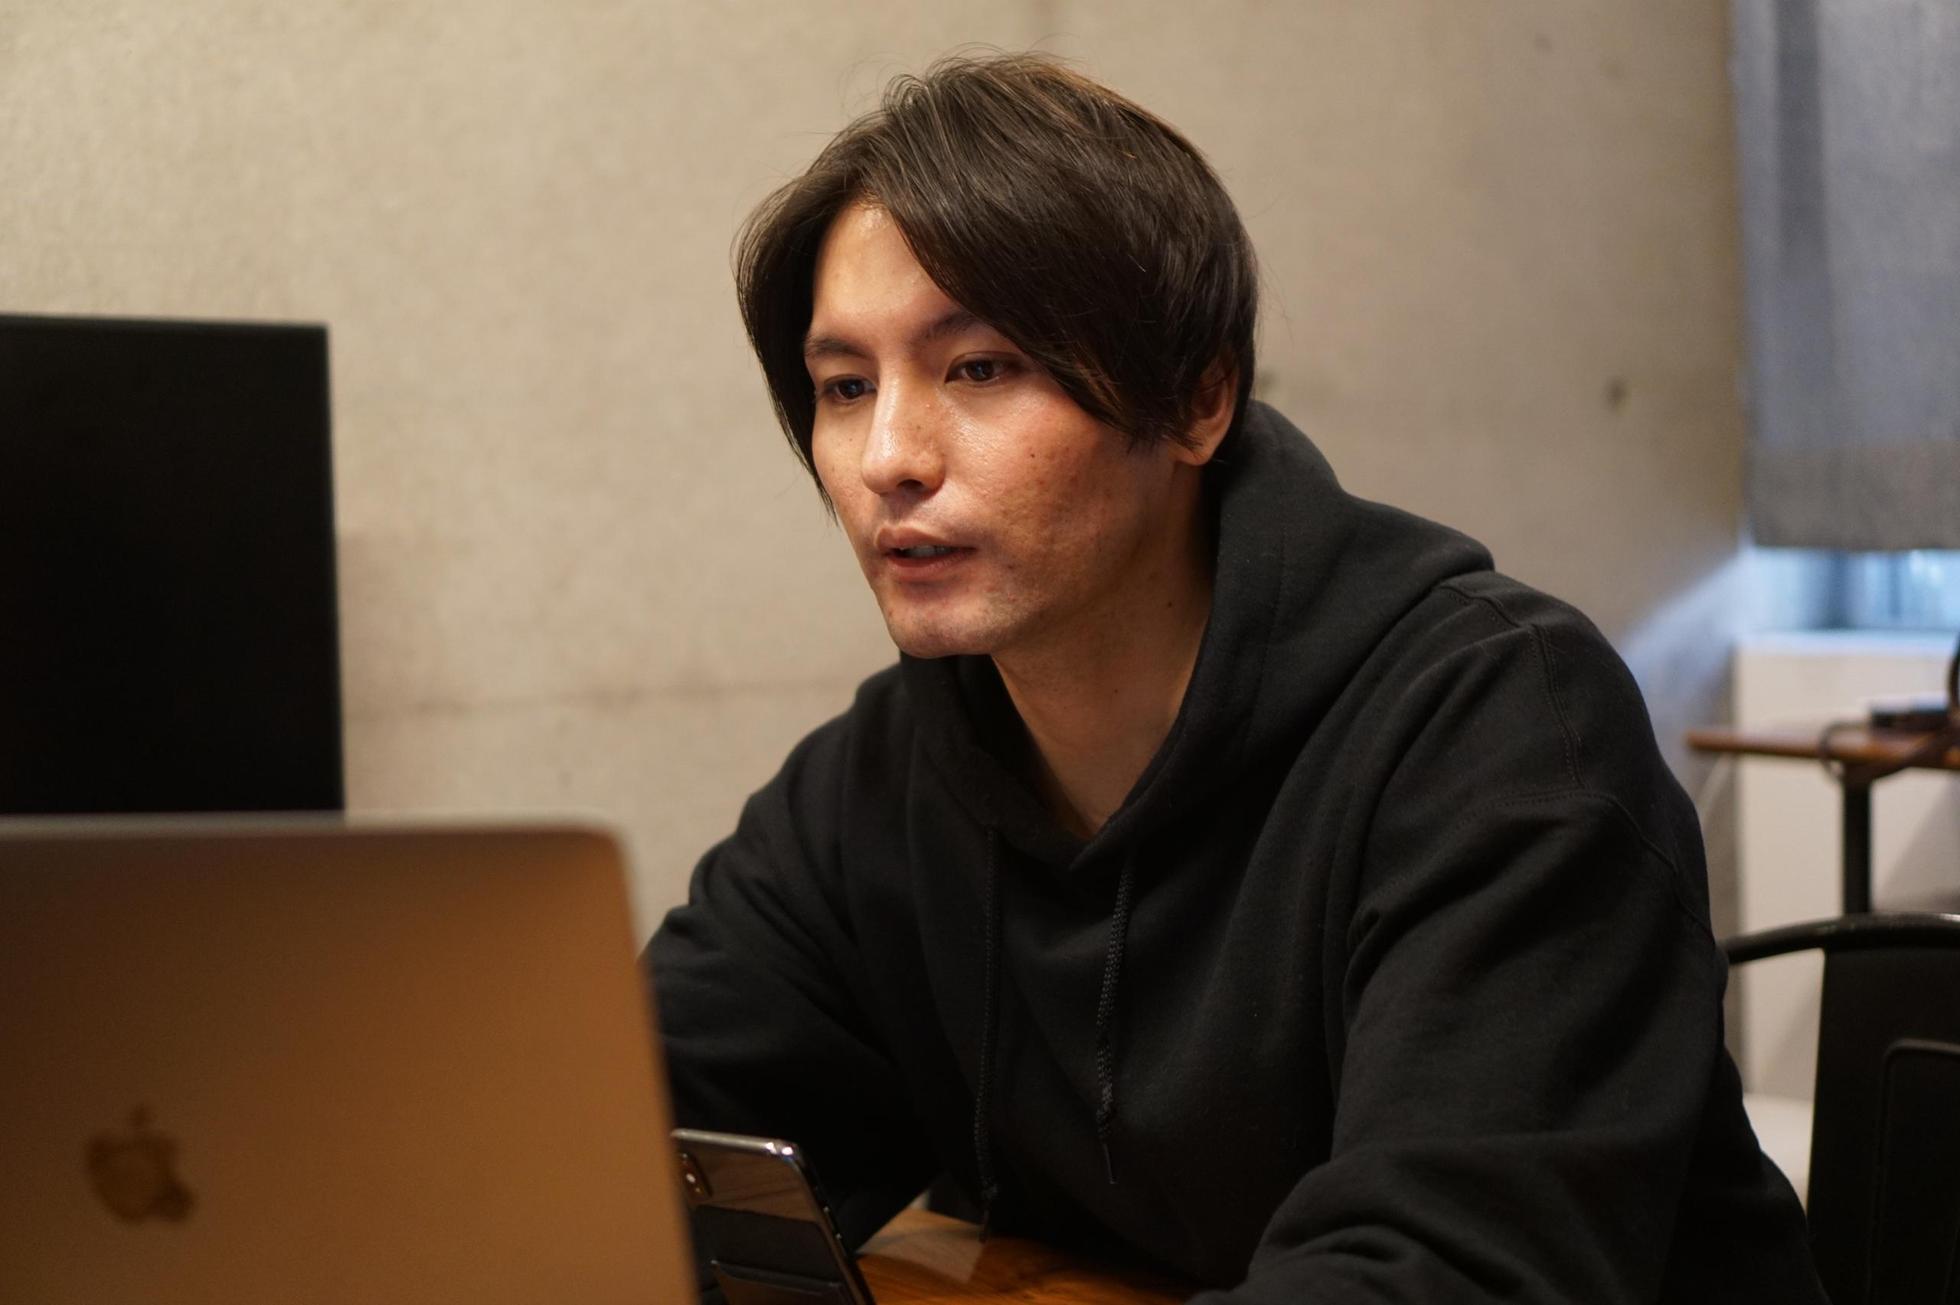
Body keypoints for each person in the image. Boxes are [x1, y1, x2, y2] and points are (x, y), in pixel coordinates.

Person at [646, 52, 1825, 1303]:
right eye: (843, 387)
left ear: (1199, 399)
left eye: (979, 368)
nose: (888, 456)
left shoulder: (1499, 732)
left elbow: (1442, 1272)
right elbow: (614, 1141)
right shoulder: (886, 777)